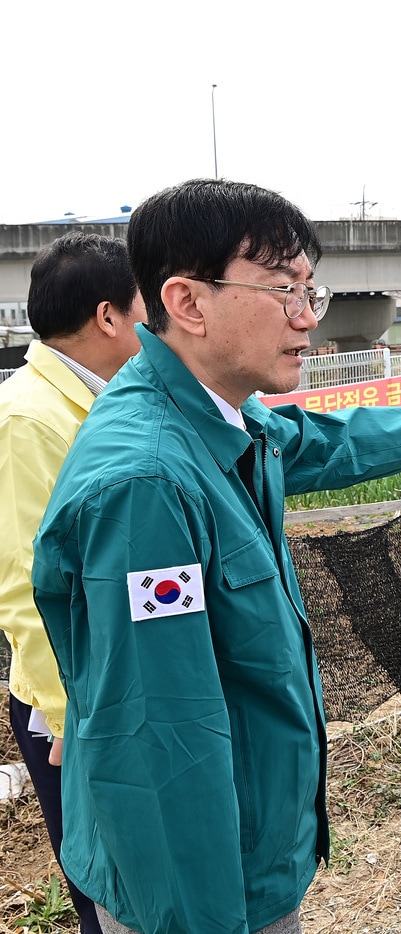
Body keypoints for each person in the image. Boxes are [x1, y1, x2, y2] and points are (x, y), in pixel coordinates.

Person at [31, 179, 401, 934]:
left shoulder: (220, 417)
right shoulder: (148, 488)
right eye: (282, 290)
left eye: (310, 290)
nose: (306, 318)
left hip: (249, 852)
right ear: (189, 303)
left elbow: (321, 443)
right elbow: (166, 742)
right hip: (204, 892)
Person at [0, 233, 146, 934]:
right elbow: (24, 584)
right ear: (109, 316)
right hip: (74, 713)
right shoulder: (28, 418)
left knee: (137, 877)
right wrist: (70, 718)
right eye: (147, 302)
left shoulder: (99, 397)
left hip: (113, 690)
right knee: (104, 886)